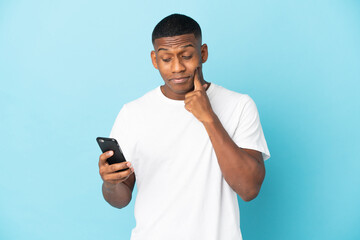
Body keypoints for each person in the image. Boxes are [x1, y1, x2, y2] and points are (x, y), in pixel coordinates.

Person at [98, 13, 270, 240]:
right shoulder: (133, 113)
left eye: (186, 55)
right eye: (166, 59)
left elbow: (249, 189)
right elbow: (120, 200)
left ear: (203, 53)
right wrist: (110, 184)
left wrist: (209, 117)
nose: (177, 67)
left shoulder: (239, 105)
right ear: (154, 60)